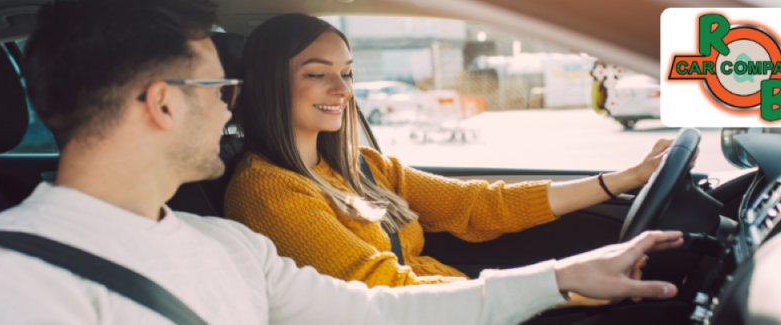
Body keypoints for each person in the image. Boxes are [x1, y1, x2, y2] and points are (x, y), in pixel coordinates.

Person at [0, 1, 684, 324]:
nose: (232, 108)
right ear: (162, 103)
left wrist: (561, 278)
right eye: (219, 89)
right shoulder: (1, 288)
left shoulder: (226, 247)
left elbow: (379, 312)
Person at [224, 13, 674, 290]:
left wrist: (624, 179)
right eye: (317, 74)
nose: (343, 89)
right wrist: (560, 289)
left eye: (347, 72)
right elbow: (384, 291)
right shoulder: (268, 190)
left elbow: (478, 206)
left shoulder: (364, 166)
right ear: (269, 84)